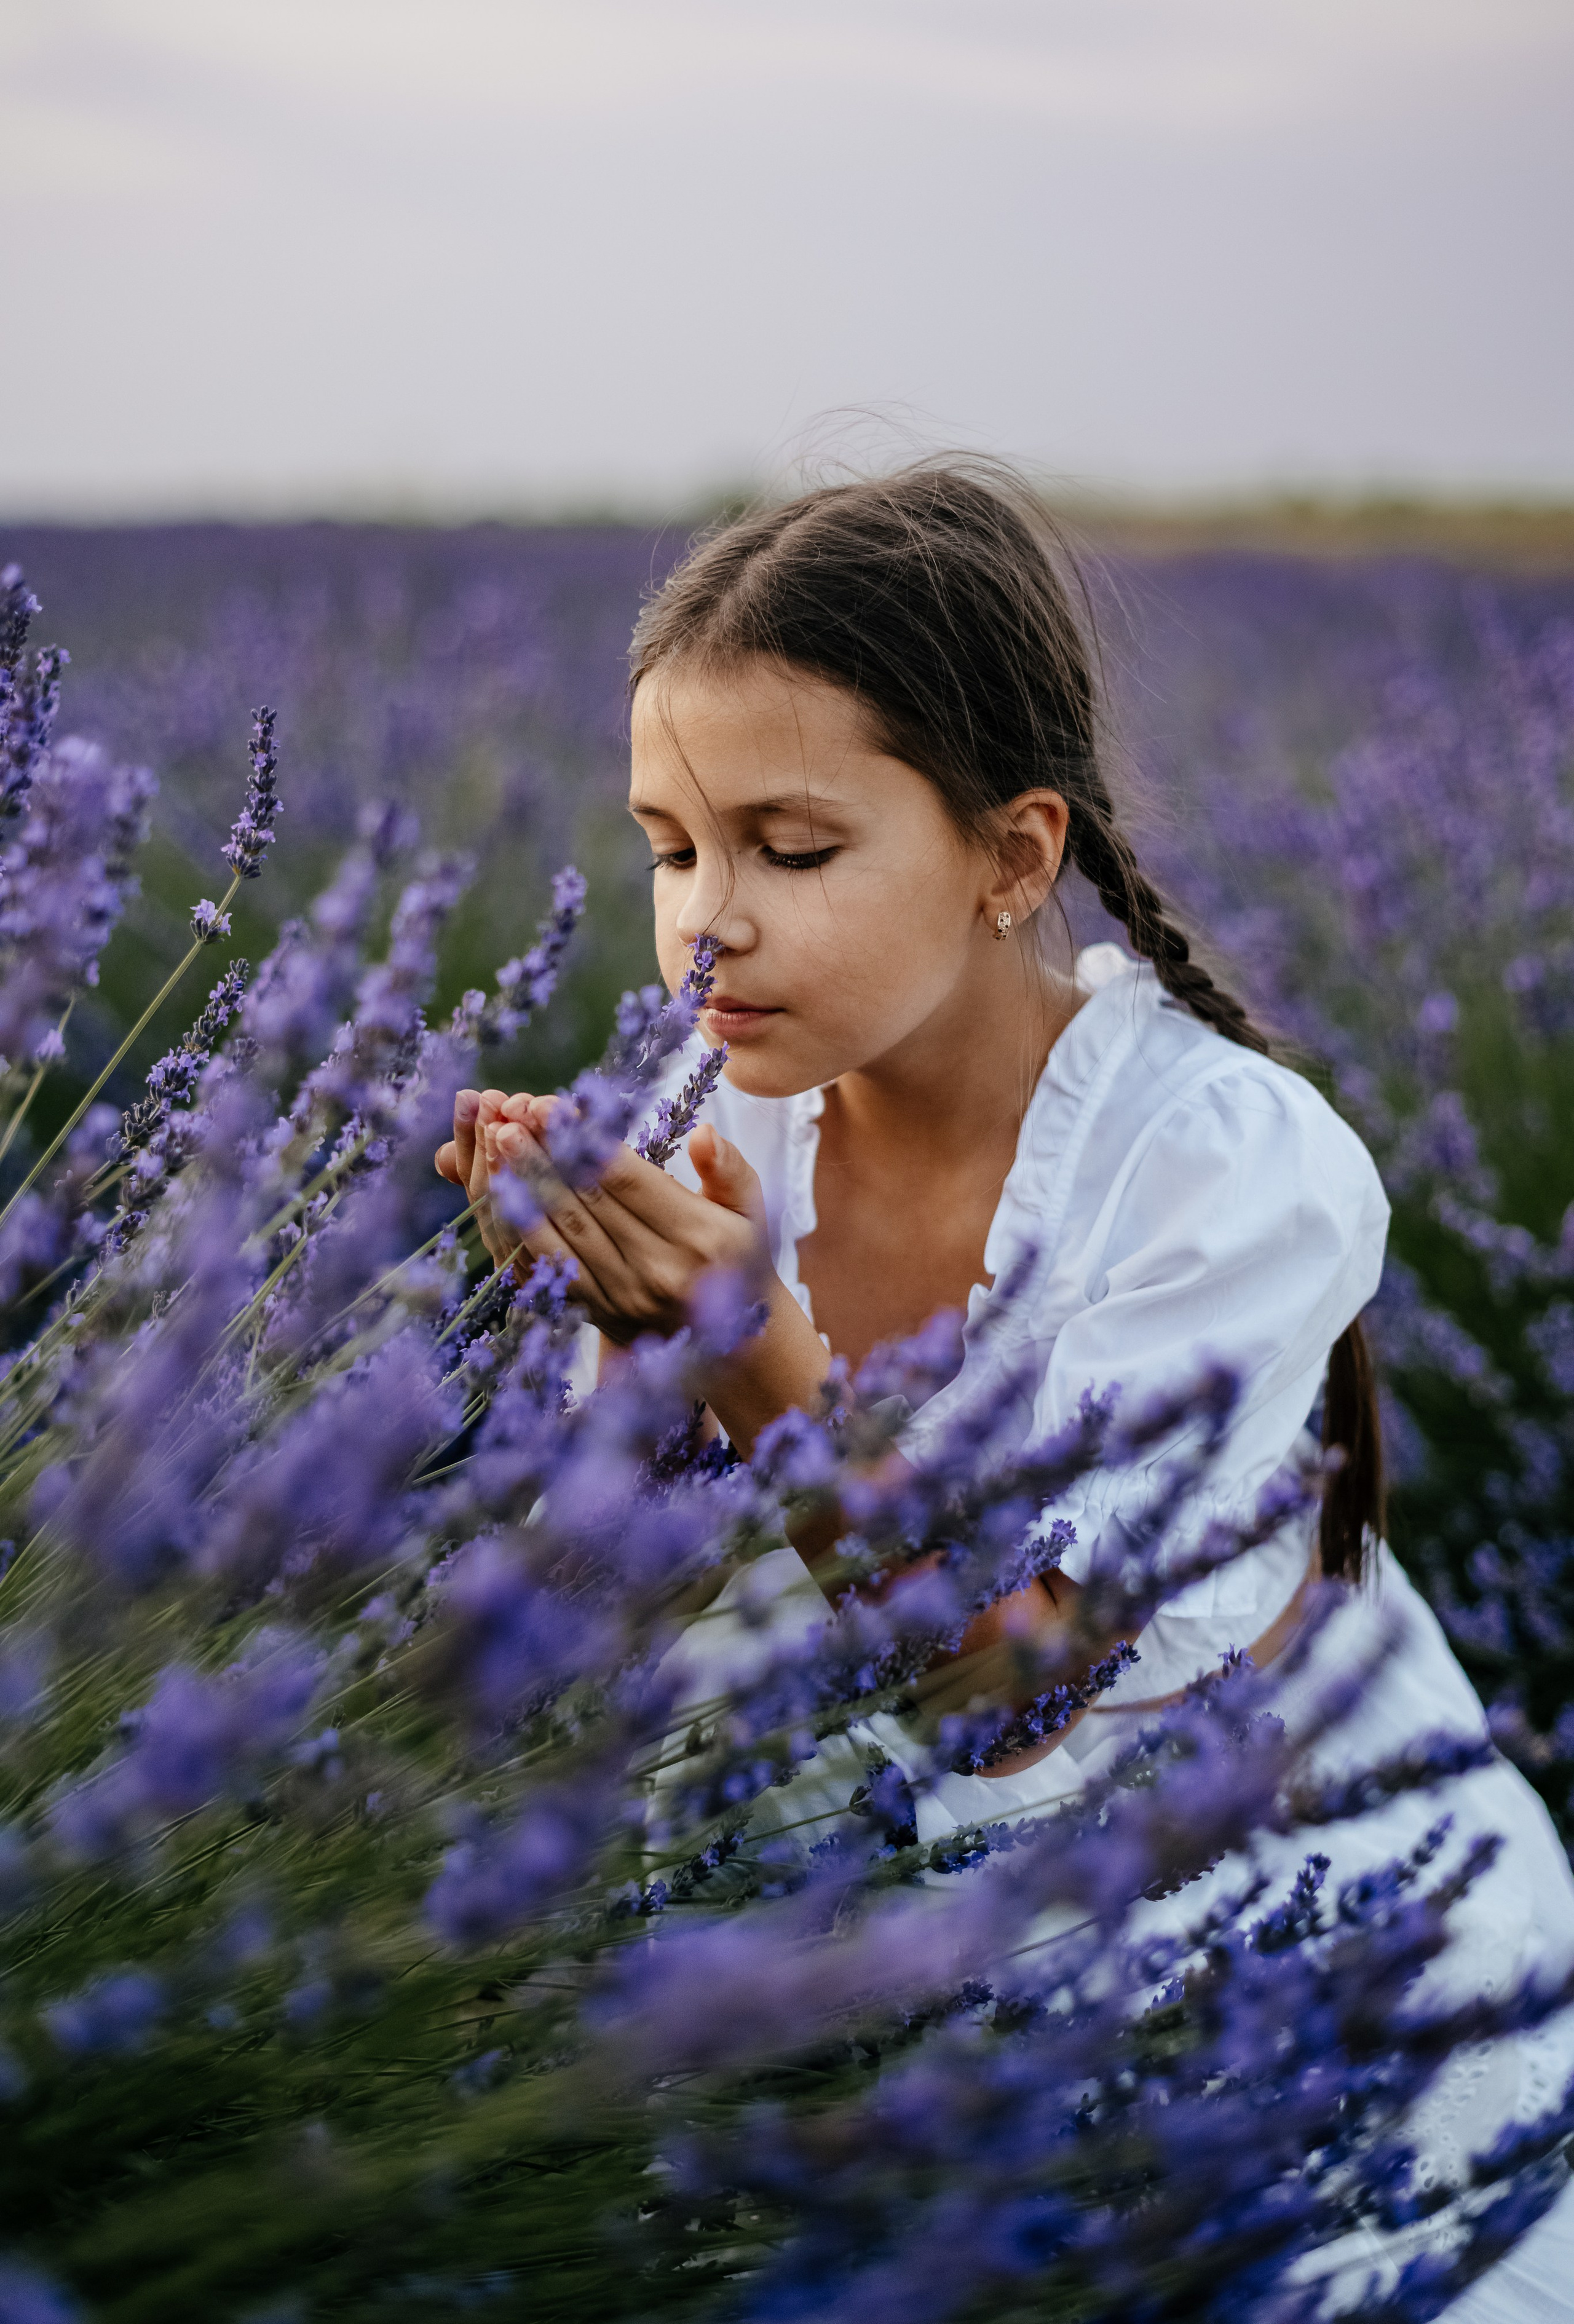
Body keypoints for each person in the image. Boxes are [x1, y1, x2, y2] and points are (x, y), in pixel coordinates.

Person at [437, 462, 1574, 2317]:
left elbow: (1012, 1687)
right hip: (878, 1957)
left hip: (1265, 1976)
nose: (705, 925)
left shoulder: (1231, 1169)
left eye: (790, 852)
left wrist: (757, 1361)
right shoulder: (724, 1114)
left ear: (1011, 857)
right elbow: (606, 1632)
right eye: (670, 847)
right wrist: (618, 1353)